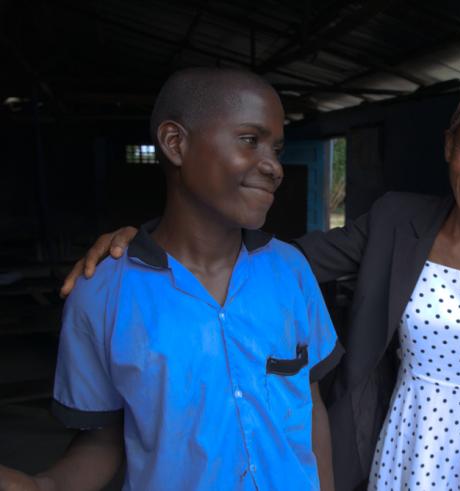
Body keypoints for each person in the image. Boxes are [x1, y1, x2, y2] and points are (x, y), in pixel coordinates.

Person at [58, 68, 460, 491]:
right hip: (399, 442)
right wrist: (145, 243)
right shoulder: (397, 221)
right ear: (449, 148)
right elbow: (272, 260)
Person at [0, 68, 342, 491]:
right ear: (175, 143)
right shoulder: (102, 292)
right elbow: (104, 439)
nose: (274, 166)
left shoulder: (290, 270)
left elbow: (311, 409)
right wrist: (44, 486)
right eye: (250, 140)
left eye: (276, 147)